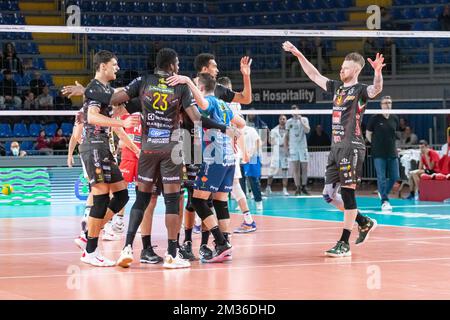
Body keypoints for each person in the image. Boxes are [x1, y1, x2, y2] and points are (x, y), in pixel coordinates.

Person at [89, 48, 233, 269]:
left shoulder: (143, 81)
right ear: (173, 65)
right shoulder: (181, 85)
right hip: (173, 149)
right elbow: (196, 119)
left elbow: (114, 99)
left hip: (147, 149)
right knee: (174, 201)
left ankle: (128, 247)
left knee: (142, 198)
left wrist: (89, 91)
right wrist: (223, 127)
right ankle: (172, 253)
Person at [283, 41, 383, 257]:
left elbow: (376, 90)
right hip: (336, 148)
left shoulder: (360, 90)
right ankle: (364, 222)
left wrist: (377, 72)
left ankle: (344, 243)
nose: (341, 70)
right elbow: (315, 76)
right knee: (328, 195)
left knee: (348, 194)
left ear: (355, 70)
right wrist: (299, 54)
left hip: (352, 146)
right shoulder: (338, 87)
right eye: (341, 67)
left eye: (345, 68)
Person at [167, 72, 245, 263]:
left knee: (198, 200)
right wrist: (230, 130)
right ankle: (225, 245)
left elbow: (202, 104)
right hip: (229, 159)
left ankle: (220, 243)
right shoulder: (225, 105)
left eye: (196, 85)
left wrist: (186, 81)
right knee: (220, 202)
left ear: (201, 88)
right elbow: (241, 123)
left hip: (214, 158)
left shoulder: (208, 101)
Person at [77, 50, 139, 267]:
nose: (117, 68)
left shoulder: (106, 90)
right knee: (101, 196)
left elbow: (118, 107)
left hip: (103, 148)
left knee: (122, 195)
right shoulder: (95, 88)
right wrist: (122, 123)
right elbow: (92, 117)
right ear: (103, 66)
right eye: (114, 64)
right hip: (93, 146)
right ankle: (90, 250)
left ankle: (88, 236)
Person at [216, 76, 256, 233]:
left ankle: (201, 223)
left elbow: (238, 128)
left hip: (224, 148)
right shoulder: (235, 104)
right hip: (231, 148)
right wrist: (244, 151)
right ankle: (248, 220)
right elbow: (241, 128)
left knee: (212, 187)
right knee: (232, 186)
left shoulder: (221, 103)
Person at [366, 96, 400, 212]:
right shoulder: (374, 118)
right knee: (381, 177)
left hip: (392, 152)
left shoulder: (395, 118)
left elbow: (395, 134)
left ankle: (382, 192)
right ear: (381, 105)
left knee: (395, 176)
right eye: (385, 103)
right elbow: (368, 134)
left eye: (390, 103)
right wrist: (376, 144)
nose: (388, 105)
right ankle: (385, 201)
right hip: (379, 153)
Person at [285, 105, 310, 196]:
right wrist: (286, 147)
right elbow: (286, 136)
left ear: (299, 111)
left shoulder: (304, 119)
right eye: (293, 112)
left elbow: (307, 131)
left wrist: (301, 121)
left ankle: (304, 186)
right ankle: (298, 187)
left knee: (304, 168)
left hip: (303, 147)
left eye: (296, 111)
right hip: (293, 148)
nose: (295, 113)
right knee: (295, 168)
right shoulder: (288, 122)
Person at [267, 114, 289, 196]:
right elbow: (270, 142)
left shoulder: (289, 130)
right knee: (271, 171)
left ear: (286, 120)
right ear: (279, 120)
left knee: (285, 171)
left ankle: (285, 189)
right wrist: (273, 141)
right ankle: (268, 188)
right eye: (281, 119)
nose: (282, 120)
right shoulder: (273, 130)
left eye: (284, 119)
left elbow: (290, 140)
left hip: (285, 153)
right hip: (276, 153)